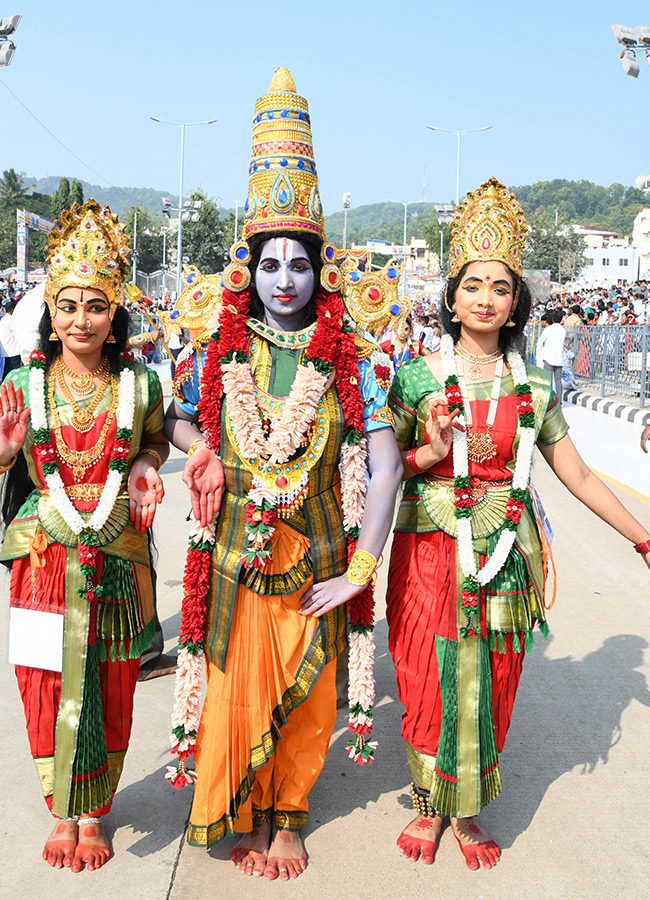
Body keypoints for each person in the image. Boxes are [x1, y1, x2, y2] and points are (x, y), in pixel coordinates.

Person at [164, 68, 402, 881]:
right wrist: (197, 445)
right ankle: (239, 807)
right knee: (233, 687)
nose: (285, 281)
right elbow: (178, 416)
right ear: (248, 268)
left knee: (306, 694)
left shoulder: (351, 361)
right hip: (235, 551)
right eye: (271, 264)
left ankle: (290, 814)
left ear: (321, 269)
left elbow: (386, 461)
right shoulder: (221, 348)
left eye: (300, 264)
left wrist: (363, 568)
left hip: (321, 553)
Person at [384, 177, 650, 872]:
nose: (485, 298)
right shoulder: (414, 378)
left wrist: (643, 536)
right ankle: (426, 802)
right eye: (473, 284)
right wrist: (431, 452)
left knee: (486, 679)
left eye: (501, 288)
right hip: (427, 549)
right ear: (450, 297)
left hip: (505, 554)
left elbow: (580, 476)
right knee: (423, 674)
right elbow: (385, 472)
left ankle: (465, 808)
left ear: (516, 303)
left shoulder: (533, 386)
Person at [0, 200, 169, 873]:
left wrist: (148, 470)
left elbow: (154, 442)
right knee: (46, 681)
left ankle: (95, 812)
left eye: (94, 306)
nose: (79, 319)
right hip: (42, 560)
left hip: (118, 562)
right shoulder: (23, 383)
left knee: (110, 683)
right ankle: (61, 809)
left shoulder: (139, 384)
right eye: (66, 305)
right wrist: (6, 451)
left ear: (115, 312)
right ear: (51, 313)